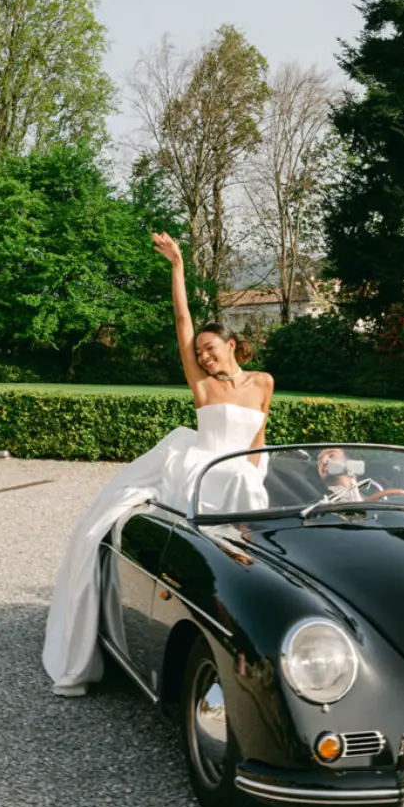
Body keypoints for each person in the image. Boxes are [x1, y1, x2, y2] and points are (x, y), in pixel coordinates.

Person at [42, 232, 274, 696]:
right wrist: (178, 267)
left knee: (251, 503)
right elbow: (183, 319)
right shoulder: (201, 384)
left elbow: (259, 436)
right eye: (201, 351)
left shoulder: (264, 382)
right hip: (203, 464)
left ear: (233, 345)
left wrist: (258, 473)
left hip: (241, 470)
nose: (205, 356)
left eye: (213, 348)